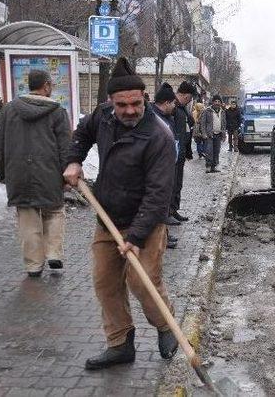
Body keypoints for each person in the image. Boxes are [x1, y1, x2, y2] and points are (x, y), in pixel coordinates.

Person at [63, 57, 178, 370]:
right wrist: (74, 160)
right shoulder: (102, 117)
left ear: (145, 99)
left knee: (142, 283)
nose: (129, 110)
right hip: (108, 217)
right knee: (105, 282)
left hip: (147, 223)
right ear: (110, 102)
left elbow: (158, 196)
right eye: (122, 104)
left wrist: (137, 237)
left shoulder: (159, 137)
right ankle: (119, 344)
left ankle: (165, 324)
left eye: (136, 103)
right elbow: (81, 134)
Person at [0, 69, 70, 278]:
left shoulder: (9, 110)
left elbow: (0, 145)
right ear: (46, 86)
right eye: (51, 85)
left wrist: (3, 173)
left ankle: (33, 265)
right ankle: (54, 253)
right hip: (50, 172)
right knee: (54, 211)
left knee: (27, 218)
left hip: (18, 173)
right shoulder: (57, 112)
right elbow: (65, 147)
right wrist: (67, 174)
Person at [152, 83, 180, 249]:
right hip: (158, 168)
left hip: (168, 164)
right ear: (166, 103)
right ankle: (161, 238)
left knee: (163, 202)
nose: (175, 106)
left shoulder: (166, 117)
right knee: (159, 203)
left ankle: (164, 236)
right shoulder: (155, 118)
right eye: (173, 103)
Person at [171, 82, 196, 222]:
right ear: (185, 95)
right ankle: (168, 212)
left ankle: (174, 210)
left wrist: (187, 151)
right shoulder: (173, 107)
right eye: (189, 98)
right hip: (173, 153)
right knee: (172, 183)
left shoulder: (182, 108)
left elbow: (189, 126)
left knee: (178, 183)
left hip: (180, 152)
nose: (190, 101)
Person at [200, 95, 226, 173]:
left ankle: (214, 166)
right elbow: (203, 123)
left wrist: (224, 134)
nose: (217, 103)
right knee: (209, 151)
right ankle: (208, 166)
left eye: (219, 101)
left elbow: (224, 123)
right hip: (209, 135)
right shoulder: (207, 111)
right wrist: (204, 133)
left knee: (216, 151)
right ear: (213, 102)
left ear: (221, 103)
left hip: (218, 134)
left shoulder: (222, 112)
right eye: (215, 101)